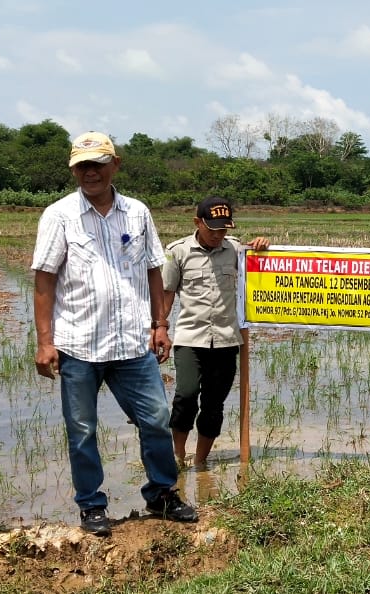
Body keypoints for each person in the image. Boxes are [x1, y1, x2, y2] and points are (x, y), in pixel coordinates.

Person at [31, 131, 197, 537]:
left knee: (157, 420)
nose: (91, 173)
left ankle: (161, 493)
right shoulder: (59, 215)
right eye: (82, 166)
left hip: (132, 343)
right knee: (83, 429)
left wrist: (160, 324)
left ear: (115, 165)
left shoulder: (138, 213)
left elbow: (154, 269)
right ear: (74, 170)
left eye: (98, 164)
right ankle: (91, 505)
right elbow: (44, 280)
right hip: (78, 344)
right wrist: (44, 341)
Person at [159, 197, 269, 470]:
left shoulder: (237, 251)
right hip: (189, 338)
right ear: (197, 222)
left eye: (224, 230)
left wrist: (261, 247)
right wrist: (160, 327)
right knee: (185, 395)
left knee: (213, 405)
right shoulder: (178, 252)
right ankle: (178, 456)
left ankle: (200, 462)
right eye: (212, 229)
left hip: (226, 339)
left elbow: (262, 269)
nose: (218, 235)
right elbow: (166, 293)